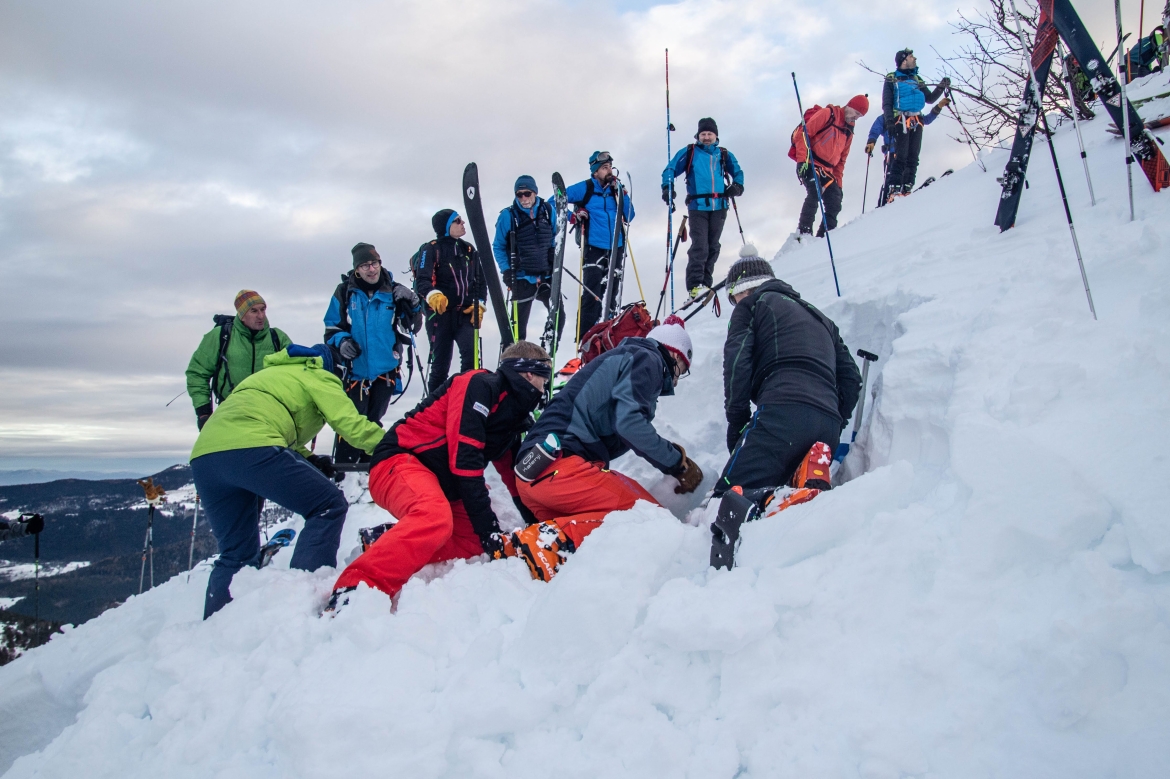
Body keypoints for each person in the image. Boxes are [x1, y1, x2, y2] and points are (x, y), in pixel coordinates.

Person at [327, 341, 551, 608]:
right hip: (400, 461)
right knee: (435, 517)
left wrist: (539, 522)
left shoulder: (512, 420)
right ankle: (355, 588)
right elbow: (464, 461)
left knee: (471, 540)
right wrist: (490, 529)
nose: (544, 387)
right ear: (528, 374)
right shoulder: (479, 385)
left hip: (444, 484)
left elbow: (515, 481)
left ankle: (386, 543)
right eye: (544, 378)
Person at [190, 344, 386, 619]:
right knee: (327, 505)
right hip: (252, 448)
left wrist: (310, 459)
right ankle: (304, 599)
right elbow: (350, 425)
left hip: (205, 458)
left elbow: (267, 423)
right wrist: (395, 445)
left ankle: (215, 627)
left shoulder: (266, 376)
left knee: (236, 553)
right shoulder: (318, 374)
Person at [504, 317, 703, 581]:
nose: (676, 382)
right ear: (674, 356)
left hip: (535, 477)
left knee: (603, 531)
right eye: (682, 369)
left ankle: (537, 549)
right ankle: (536, 545)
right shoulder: (648, 359)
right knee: (649, 519)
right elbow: (630, 424)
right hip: (560, 467)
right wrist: (677, 462)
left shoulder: (624, 357)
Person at [715, 247, 862, 498]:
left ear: (741, 290)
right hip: (827, 429)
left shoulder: (751, 305)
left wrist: (737, 423)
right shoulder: (822, 318)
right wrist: (835, 421)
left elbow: (737, 363)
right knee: (781, 490)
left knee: (728, 498)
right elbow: (852, 380)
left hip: (781, 415)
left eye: (733, 299)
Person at [324, 243, 423, 463]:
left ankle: (371, 471)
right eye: (365, 265)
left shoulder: (395, 292)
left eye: (375, 263)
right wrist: (342, 343)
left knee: (374, 420)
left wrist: (414, 303)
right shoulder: (344, 292)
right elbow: (331, 328)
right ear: (356, 269)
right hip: (354, 372)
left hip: (385, 370)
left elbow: (411, 330)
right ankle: (344, 472)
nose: (371, 269)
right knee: (352, 423)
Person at [662, 118, 745, 298]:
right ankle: (694, 286)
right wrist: (667, 187)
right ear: (698, 135)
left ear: (716, 136)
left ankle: (706, 284)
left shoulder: (723, 154)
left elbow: (738, 172)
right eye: (703, 134)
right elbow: (670, 169)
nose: (706, 137)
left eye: (710, 134)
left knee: (713, 246)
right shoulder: (690, 152)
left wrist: (737, 186)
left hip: (720, 206)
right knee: (700, 245)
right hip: (697, 206)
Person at [185, 290, 292, 430]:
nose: (261, 316)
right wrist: (203, 413)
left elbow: (295, 373)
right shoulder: (220, 336)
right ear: (241, 315)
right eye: (254, 311)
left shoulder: (278, 338)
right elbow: (197, 373)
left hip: (270, 416)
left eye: (263, 309)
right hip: (231, 414)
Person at [414, 210, 488, 394]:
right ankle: (434, 405)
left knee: (472, 358)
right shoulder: (431, 249)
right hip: (439, 314)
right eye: (457, 221)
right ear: (445, 227)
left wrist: (479, 303)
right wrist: (433, 295)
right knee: (440, 365)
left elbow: (480, 280)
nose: (463, 223)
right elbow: (421, 281)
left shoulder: (469, 249)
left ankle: (465, 399)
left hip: (464, 313)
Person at [566, 151, 636, 340]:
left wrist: (622, 194)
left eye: (610, 167)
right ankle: (584, 339)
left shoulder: (617, 190)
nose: (609, 171)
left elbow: (630, 215)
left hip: (617, 245)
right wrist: (573, 216)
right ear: (595, 172)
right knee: (592, 294)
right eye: (604, 168)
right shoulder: (585, 188)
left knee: (612, 293)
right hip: (594, 246)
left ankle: (608, 335)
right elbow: (556, 199)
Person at [492, 176, 562, 341]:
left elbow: (554, 235)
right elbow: (498, 246)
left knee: (559, 317)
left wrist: (553, 252)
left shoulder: (547, 210)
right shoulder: (508, 216)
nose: (523, 198)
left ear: (535, 193)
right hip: (522, 277)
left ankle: (547, 347)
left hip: (546, 276)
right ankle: (513, 359)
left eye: (527, 193)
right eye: (519, 194)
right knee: (517, 329)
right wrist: (506, 270)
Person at [790, 95, 869, 237]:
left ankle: (825, 237)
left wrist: (839, 185)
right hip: (810, 162)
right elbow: (803, 134)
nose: (856, 118)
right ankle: (803, 233)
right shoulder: (828, 114)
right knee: (815, 191)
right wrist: (802, 161)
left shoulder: (848, 131)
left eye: (860, 116)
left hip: (828, 171)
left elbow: (841, 162)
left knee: (835, 203)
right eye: (857, 113)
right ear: (850, 106)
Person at [882, 49, 949, 202]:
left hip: (917, 120)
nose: (915, 58)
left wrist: (941, 86)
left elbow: (930, 98)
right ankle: (894, 188)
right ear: (904, 60)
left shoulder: (917, 78)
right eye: (912, 56)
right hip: (901, 120)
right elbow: (887, 102)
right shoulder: (892, 78)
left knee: (913, 156)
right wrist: (889, 121)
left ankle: (907, 186)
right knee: (901, 156)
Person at [865, 96, 948, 206]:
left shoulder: (912, 115)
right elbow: (875, 129)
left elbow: (926, 120)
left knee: (907, 173)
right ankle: (884, 202)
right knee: (891, 179)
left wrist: (938, 107)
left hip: (907, 153)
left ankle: (904, 193)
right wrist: (871, 141)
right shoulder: (887, 117)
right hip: (892, 153)